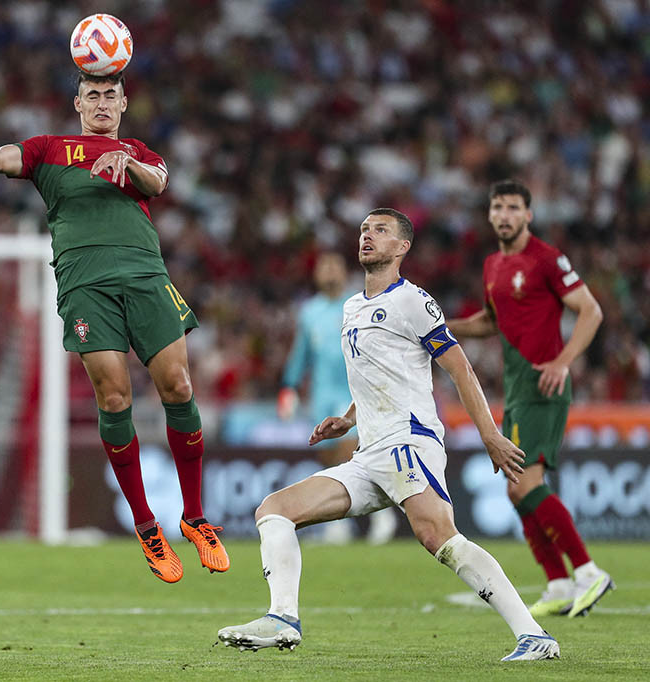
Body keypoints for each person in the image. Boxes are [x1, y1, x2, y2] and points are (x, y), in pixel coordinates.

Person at [218, 209, 560, 662]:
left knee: (439, 535)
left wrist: (490, 435)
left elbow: (460, 370)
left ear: (402, 248)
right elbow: (378, 375)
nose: (367, 236)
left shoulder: (413, 302)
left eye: (380, 231)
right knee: (275, 511)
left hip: (407, 441)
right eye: (363, 229)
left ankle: (533, 635)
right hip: (369, 451)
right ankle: (283, 619)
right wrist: (347, 418)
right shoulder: (351, 307)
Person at [0, 73, 227, 583]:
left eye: (111, 95)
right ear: (78, 104)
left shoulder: (137, 150)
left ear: (124, 103)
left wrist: (127, 162)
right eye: (93, 95)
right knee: (113, 398)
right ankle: (146, 524)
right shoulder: (49, 149)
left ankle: (195, 517)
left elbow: (159, 183)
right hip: (85, 283)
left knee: (178, 385)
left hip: (145, 276)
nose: (102, 103)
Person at [447, 180, 612, 617]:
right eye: (497, 206)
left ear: (528, 215)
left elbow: (591, 310)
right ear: (489, 214)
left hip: (544, 386)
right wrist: (444, 327)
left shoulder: (547, 258)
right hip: (517, 390)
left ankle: (588, 571)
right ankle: (558, 583)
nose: (504, 214)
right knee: (517, 491)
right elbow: (490, 321)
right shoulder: (491, 266)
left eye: (513, 207)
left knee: (525, 483)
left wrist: (562, 361)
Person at [277, 252, 397, 544]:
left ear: (344, 272)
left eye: (334, 266)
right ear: (316, 274)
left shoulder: (357, 304)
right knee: (328, 455)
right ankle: (341, 522)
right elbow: (301, 353)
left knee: (350, 451)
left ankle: (380, 516)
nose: (329, 272)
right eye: (324, 267)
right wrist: (289, 386)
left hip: (352, 390)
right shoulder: (310, 312)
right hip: (322, 392)